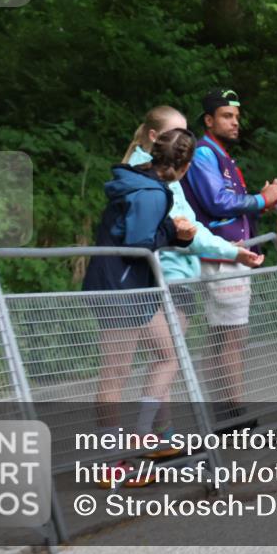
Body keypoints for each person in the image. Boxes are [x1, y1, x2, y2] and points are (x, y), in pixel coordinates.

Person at [124, 106, 265, 459]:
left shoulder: (156, 174)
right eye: (176, 134)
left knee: (165, 359)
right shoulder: (152, 180)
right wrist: (230, 251)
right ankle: (144, 437)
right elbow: (186, 230)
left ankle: (162, 436)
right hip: (168, 278)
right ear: (154, 138)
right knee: (167, 359)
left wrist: (225, 248)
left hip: (172, 277)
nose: (184, 141)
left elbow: (189, 226)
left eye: (186, 133)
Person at [82, 128, 198, 486]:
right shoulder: (150, 192)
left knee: (168, 352)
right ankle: (109, 462)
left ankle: (144, 435)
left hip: (130, 287)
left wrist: (171, 232)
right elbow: (138, 243)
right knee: (114, 375)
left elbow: (139, 232)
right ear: (185, 166)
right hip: (120, 289)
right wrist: (174, 233)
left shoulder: (143, 182)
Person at [181, 88, 277, 425]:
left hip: (228, 254)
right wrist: (261, 199)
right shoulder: (204, 153)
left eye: (237, 117)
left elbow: (228, 207)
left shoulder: (219, 154)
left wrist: (262, 205)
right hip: (223, 257)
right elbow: (217, 203)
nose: (235, 122)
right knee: (232, 335)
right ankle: (234, 413)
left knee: (221, 335)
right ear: (209, 120)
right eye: (227, 116)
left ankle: (224, 411)